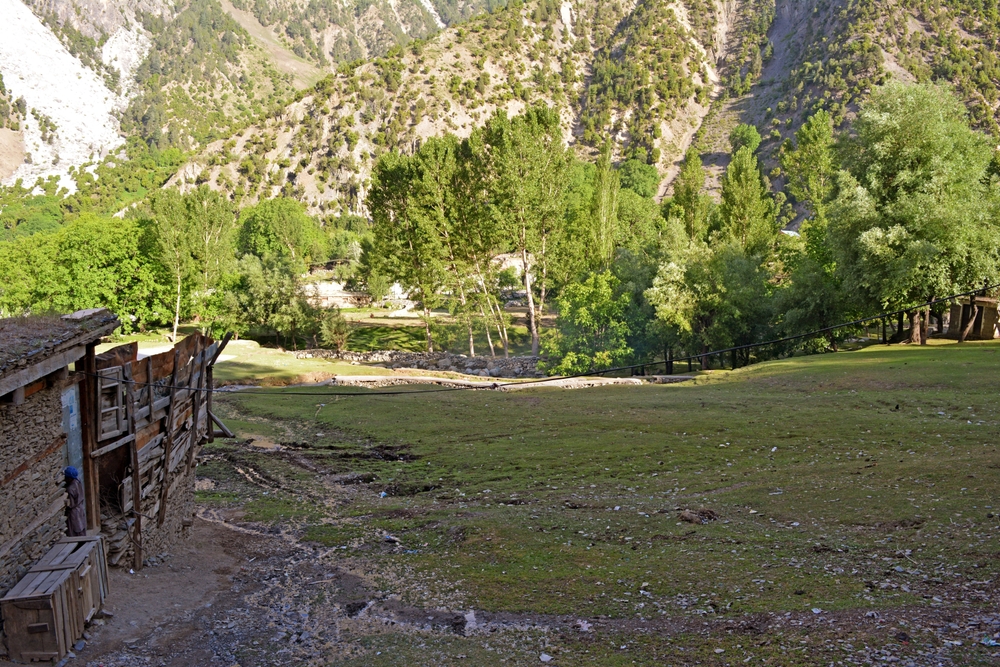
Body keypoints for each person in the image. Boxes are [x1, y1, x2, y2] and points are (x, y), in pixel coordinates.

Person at [64, 467, 86, 537]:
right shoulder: (78, 480)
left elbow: (71, 504)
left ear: (69, 478)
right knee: (81, 526)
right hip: (80, 507)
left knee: (75, 530)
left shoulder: (70, 489)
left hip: (74, 512)